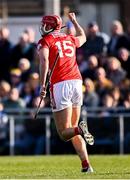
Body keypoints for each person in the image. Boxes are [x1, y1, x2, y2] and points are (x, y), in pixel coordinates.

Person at [37, 12, 94, 173]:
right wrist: (75, 22)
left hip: (60, 85)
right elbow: (83, 36)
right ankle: (86, 165)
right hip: (77, 82)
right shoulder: (69, 38)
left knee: (64, 133)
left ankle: (81, 130)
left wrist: (42, 85)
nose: (42, 27)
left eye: (44, 24)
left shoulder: (45, 41)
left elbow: (44, 61)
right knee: (73, 127)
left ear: (49, 26)